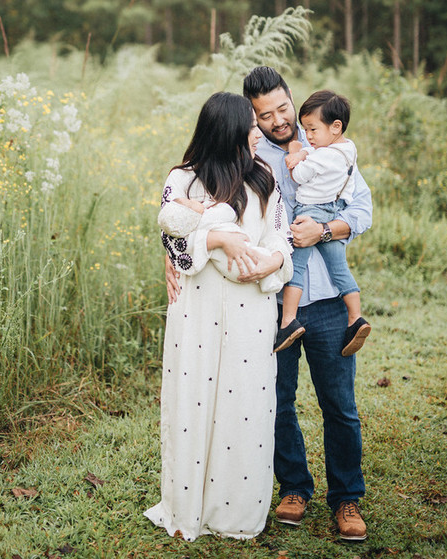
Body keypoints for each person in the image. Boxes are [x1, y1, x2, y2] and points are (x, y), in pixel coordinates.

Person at [166, 67, 372, 542]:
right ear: (251, 120)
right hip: (265, 305)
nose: (278, 120)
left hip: (323, 301)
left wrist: (323, 230)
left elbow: (361, 211)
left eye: (283, 108)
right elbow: (198, 201)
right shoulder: (250, 159)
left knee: (339, 404)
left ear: (291, 100)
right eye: (265, 115)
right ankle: (294, 487)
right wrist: (171, 253)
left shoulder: (329, 145)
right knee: (274, 402)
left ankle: (346, 499)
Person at [145, 91, 293, 542]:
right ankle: (188, 507)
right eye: (249, 126)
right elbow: (171, 238)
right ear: (225, 131)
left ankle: (236, 513)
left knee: (245, 407)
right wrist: (217, 242)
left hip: (251, 312)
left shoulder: (264, 177)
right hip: (197, 312)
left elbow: (281, 238)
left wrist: (274, 263)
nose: (257, 133)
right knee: (194, 403)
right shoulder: (183, 180)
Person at [274, 89, 371, 357]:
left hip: (311, 214)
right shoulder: (347, 149)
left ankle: (287, 321)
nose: (309, 136)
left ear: (336, 126)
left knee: (297, 266)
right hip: (335, 210)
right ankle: (356, 317)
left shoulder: (320, 153)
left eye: (312, 130)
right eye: (306, 130)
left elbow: (300, 176)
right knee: (340, 269)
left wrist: (297, 154)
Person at [159, 196, 292, 293]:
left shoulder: (193, 224)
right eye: (191, 203)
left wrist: (277, 259)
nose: (194, 201)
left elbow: (277, 229)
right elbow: (228, 212)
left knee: (253, 264)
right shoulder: (205, 217)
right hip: (231, 262)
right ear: (190, 215)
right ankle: (269, 283)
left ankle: (268, 281)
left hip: (226, 266)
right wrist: (221, 238)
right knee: (255, 259)